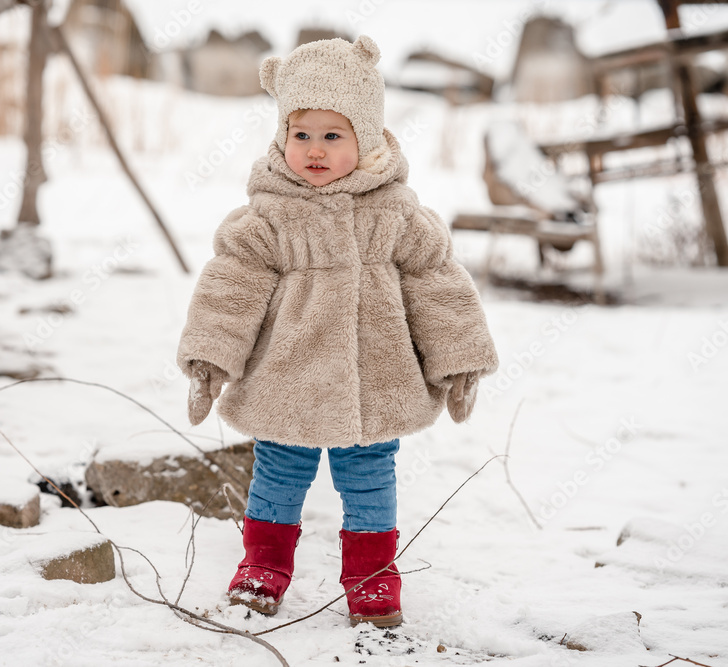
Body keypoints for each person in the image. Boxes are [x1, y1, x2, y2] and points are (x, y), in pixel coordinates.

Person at [177, 35, 498, 628]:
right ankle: (263, 568)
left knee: (371, 478)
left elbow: (436, 283)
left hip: (375, 383)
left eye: (333, 135)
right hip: (287, 379)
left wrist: (458, 359)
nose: (315, 150)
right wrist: (211, 357)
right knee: (277, 473)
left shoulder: (398, 213)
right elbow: (232, 285)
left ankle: (373, 582)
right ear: (282, 137)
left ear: (367, 137)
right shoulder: (268, 215)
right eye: (301, 135)